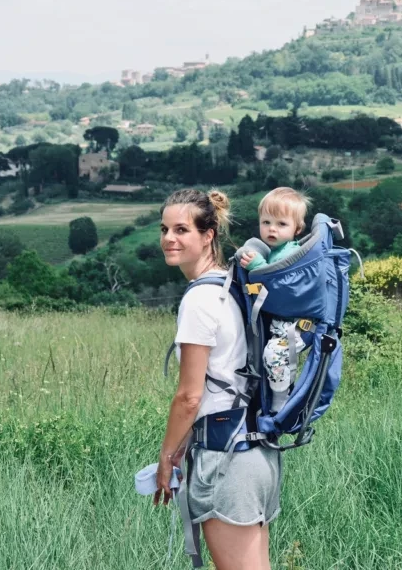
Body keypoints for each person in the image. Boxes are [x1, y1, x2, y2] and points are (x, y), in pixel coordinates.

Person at [154, 188, 280, 570]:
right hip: (258, 454)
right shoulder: (232, 285)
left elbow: (189, 396)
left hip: (227, 460)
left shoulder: (198, 300)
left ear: (208, 235)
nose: (168, 239)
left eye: (181, 229)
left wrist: (167, 457)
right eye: (164, 229)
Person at [240, 187, 312, 410]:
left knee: (275, 353)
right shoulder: (274, 250)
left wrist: (256, 267)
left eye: (282, 224)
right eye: (266, 222)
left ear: (297, 229)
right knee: (268, 354)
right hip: (283, 323)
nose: (272, 229)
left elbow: (276, 280)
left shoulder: (292, 252)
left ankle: (281, 404)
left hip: (299, 324)